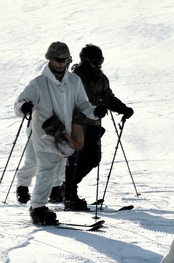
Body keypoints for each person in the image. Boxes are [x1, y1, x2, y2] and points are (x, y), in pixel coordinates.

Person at [14, 42, 106, 226]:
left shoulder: (73, 81)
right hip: (45, 133)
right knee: (47, 171)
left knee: (56, 171)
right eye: (57, 59)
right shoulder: (39, 83)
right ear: (50, 58)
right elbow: (20, 102)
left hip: (65, 136)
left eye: (64, 60)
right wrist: (24, 107)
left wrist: (94, 111)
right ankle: (37, 208)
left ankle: (40, 204)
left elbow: (83, 104)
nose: (61, 63)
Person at [62, 44, 134, 210]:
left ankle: (66, 187)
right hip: (77, 124)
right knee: (75, 160)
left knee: (93, 159)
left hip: (94, 125)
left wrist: (123, 109)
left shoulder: (101, 78)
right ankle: (70, 195)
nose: (98, 65)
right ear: (85, 61)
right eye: (95, 61)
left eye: (100, 61)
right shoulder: (75, 78)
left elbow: (108, 98)